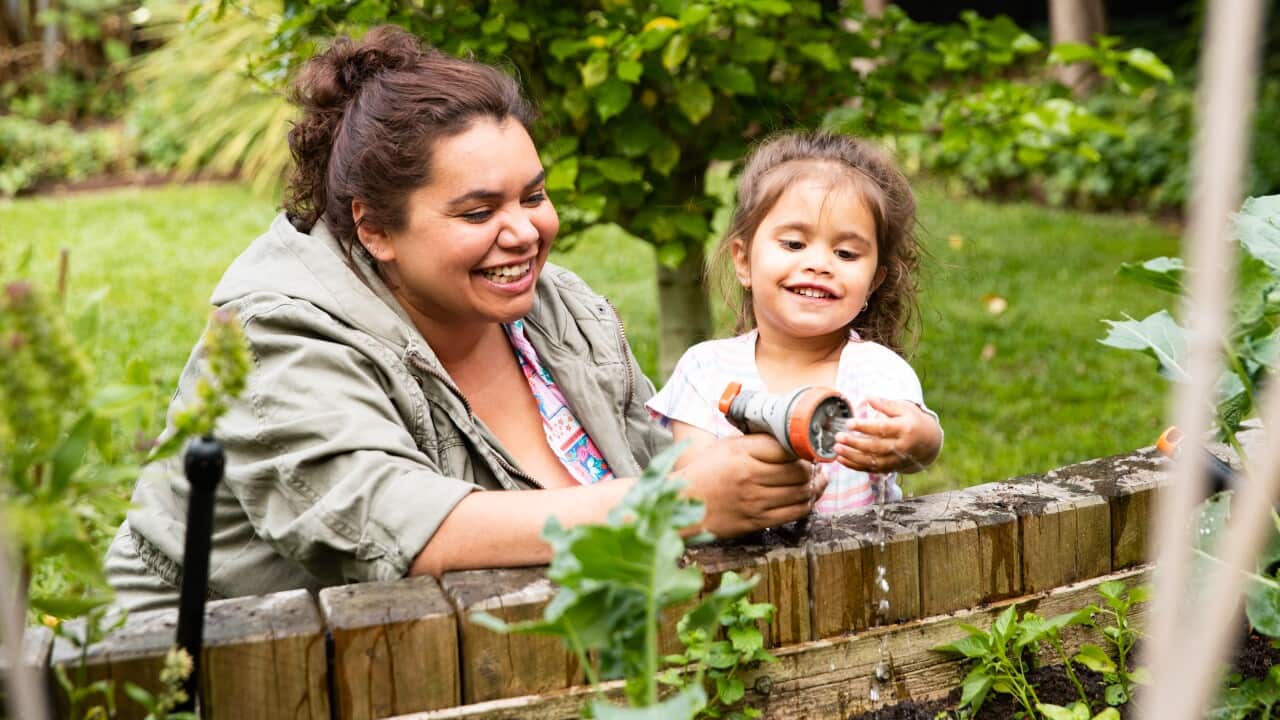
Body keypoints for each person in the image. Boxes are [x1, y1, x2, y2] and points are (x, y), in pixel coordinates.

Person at [104, 26, 821, 612]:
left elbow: (647, 467)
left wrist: (754, 478)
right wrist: (677, 506)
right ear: (376, 229)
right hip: (207, 673)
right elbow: (397, 528)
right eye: (479, 212)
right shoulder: (279, 334)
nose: (523, 232)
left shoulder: (555, 308)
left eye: (532, 196)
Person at [646, 131, 943, 513]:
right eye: (794, 244)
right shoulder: (706, 371)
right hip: (732, 569)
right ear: (743, 260)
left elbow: (921, 440)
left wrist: (917, 442)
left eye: (846, 253)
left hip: (857, 564)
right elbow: (692, 481)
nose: (819, 264)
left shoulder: (875, 373)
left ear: (873, 281)